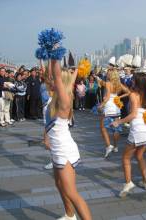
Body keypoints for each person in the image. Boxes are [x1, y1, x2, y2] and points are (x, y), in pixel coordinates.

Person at [44, 60, 92, 220]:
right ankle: (69, 215)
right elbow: (52, 76)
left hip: (64, 150)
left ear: (60, 82)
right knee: (59, 184)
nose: (49, 80)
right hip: (57, 150)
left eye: (53, 79)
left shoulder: (64, 101)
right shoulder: (55, 97)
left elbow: (56, 76)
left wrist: (53, 56)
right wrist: (46, 57)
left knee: (72, 192)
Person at [111, 72, 146, 197]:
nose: (132, 81)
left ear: (137, 83)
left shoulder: (134, 95)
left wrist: (118, 122)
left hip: (137, 131)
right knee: (140, 155)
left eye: (133, 80)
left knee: (125, 158)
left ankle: (128, 183)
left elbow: (133, 114)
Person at [98, 69, 129, 157]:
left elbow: (107, 97)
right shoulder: (119, 84)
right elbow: (128, 92)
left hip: (108, 107)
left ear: (111, 75)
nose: (107, 74)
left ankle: (108, 146)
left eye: (108, 73)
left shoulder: (108, 83)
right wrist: (119, 97)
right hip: (116, 107)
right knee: (116, 128)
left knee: (103, 127)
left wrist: (101, 105)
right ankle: (115, 146)